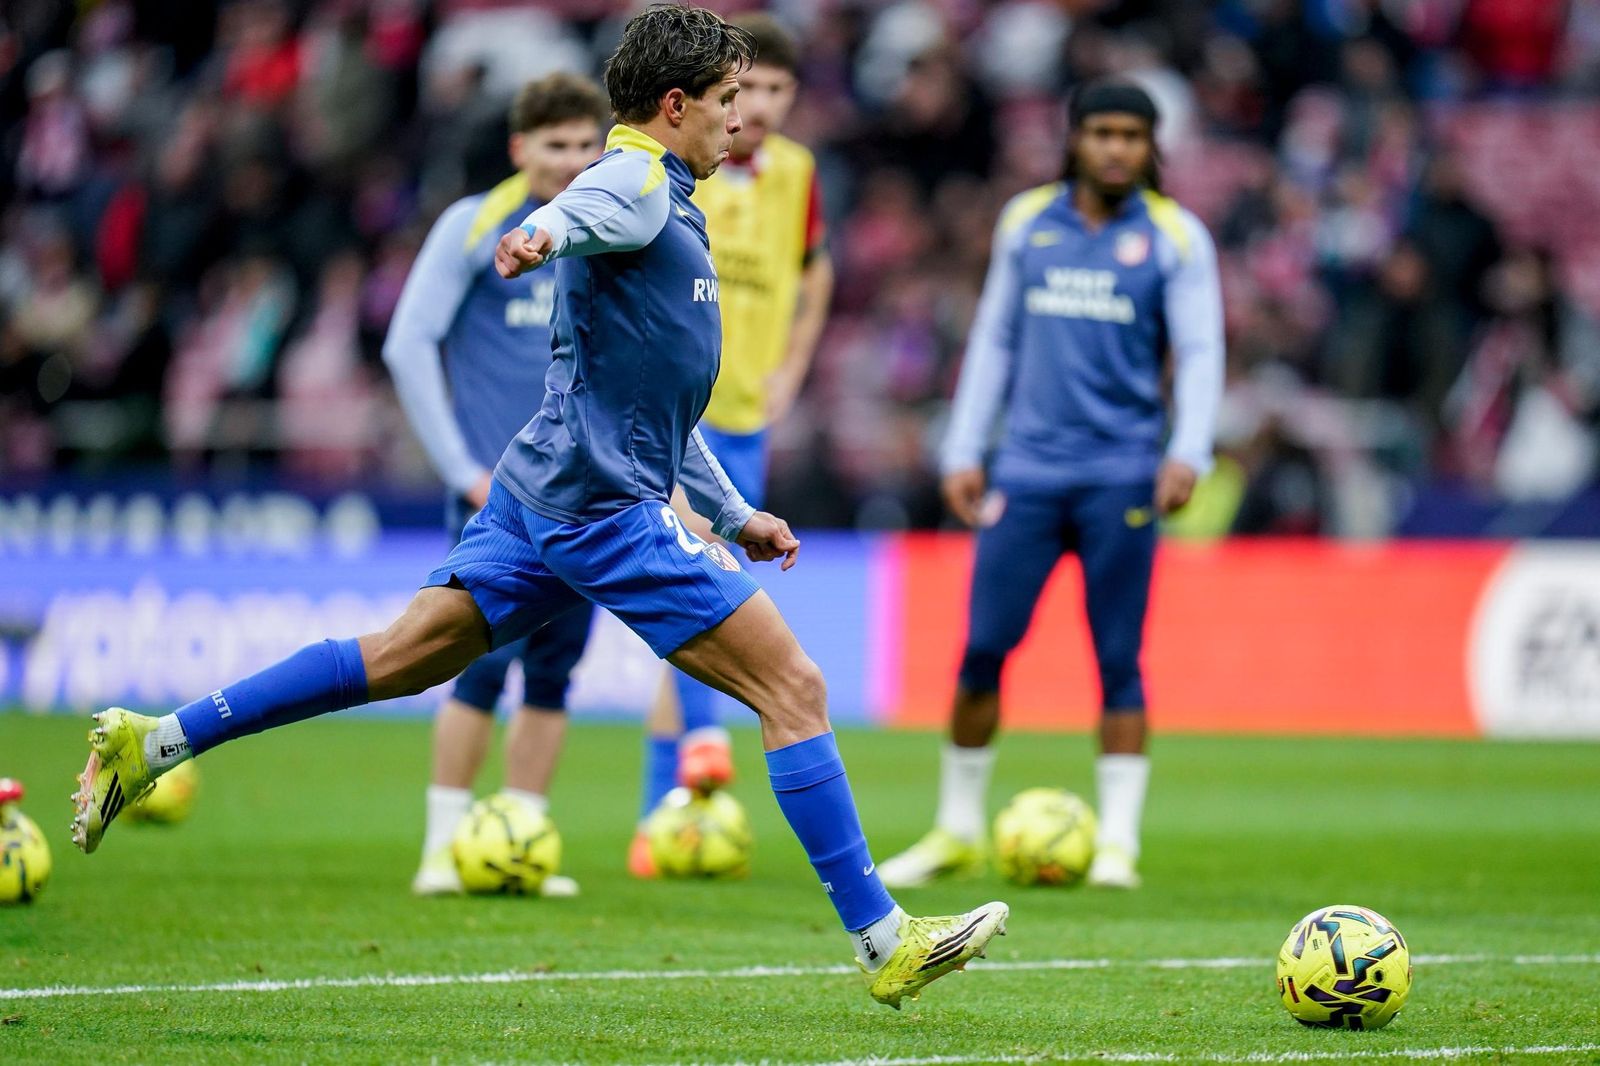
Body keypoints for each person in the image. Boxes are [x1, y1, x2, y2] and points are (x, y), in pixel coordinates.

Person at [71, 5, 1006, 1009]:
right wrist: (538, 232)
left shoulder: (673, 194)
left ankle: (152, 741)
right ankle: (880, 938)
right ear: (677, 103)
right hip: (602, 508)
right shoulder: (641, 177)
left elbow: (654, 405)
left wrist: (732, 515)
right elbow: (585, 201)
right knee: (794, 688)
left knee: (397, 657)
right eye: (729, 100)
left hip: (543, 492)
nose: (741, 120)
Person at [877, 80, 1224, 892]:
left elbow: (1202, 352)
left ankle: (1117, 847)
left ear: (1151, 147)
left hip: (1122, 472)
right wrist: (965, 446)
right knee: (983, 649)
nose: (1116, 149)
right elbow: (996, 337)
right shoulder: (1027, 222)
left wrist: (1190, 450)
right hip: (1026, 471)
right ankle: (956, 828)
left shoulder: (1176, 237)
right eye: (1101, 133)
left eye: (1132, 136)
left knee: (1118, 658)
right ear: (1074, 141)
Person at [380, 73, 608, 897]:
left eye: (588, 145)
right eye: (556, 145)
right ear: (520, 149)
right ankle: (443, 847)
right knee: (473, 663)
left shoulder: (607, 226)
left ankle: (519, 838)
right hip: (494, 496)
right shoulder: (472, 224)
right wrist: (459, 469)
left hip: (585, 495)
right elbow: (409, 346)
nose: (574, 160)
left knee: (554, 672)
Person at [629, 11, 834, 877]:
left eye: (782, 90)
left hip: (748, 412)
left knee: (703, 603)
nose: (765, 107)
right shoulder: (687, 169)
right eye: (753, 90)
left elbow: (814, 267)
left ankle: (660, 814)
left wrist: (793, 366)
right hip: (684, 417)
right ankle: (691, 767)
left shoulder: (796, 174)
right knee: (699, 584)